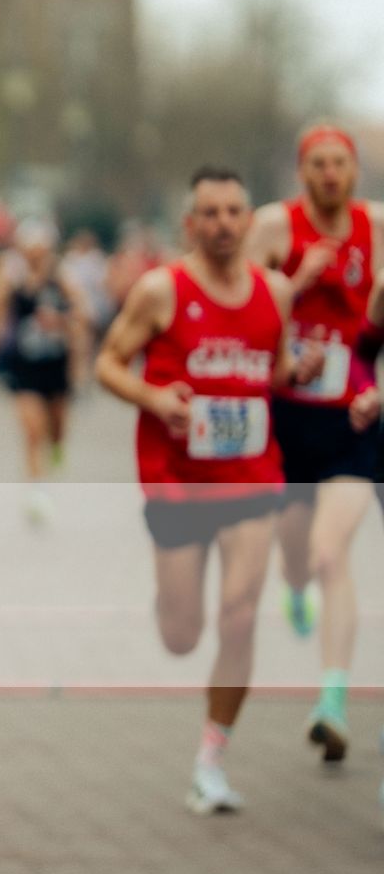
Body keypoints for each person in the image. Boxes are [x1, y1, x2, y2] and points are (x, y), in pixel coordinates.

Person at [97, 166, 320, 814]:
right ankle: (172, 602)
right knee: (183, 633)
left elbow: (272, 371)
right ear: (190, 224)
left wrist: (294, 372)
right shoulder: (161, 290)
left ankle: (211, 760)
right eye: (210, 214)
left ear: (251, 221)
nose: (223, 224)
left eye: (234, 212)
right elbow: (109, 362)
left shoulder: (275, 293)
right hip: (177, 482)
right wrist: (153, 396)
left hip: (252, 476)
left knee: (242, 614)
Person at [245, 124, 381, 763]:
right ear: (302, 172)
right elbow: (240, 312)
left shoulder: (376, 227)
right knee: (298, 556)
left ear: (355, 171)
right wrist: (297, 280)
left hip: (352, 419)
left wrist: (374, 388)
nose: (331, 174)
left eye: (341, 164)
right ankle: (292, 586)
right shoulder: (274, 227)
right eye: (319, 164)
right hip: (287, 417)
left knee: (333, 553)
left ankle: (332, 700)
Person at [0, 220, 90, 522]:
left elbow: (83, 313)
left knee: (57, 426)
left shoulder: (61, 274)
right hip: (24, 363)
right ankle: (37, 491)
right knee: (31, 430)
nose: (34, 254)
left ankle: (57, 447)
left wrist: (63, 323)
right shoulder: (11, 272)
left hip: (55, 362)